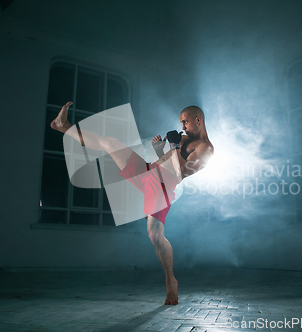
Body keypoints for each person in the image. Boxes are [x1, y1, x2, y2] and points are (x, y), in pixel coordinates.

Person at [50, 102, 214, 305]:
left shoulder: (205, 148)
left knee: (155, 236)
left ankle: (171, 280)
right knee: (110, 143)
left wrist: (173, 146)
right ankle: (63, 126)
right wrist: (159, 149)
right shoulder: (182, 139)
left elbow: (182, 170)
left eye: (185, 122)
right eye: (181, 122)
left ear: (198, 120)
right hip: (148, 171)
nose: (182, 127)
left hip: (161, 185)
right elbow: (168, 159)